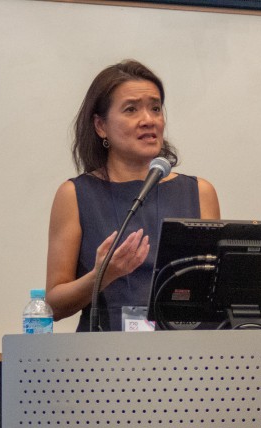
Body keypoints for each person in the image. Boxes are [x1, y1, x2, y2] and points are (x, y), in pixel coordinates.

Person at [46, 59, 220, 332]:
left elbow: (214, 290)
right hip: (104, 351)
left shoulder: (199, 192)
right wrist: (101, 276)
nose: (148, 120)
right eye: (131, 109)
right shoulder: (75, 195)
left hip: (184, 350)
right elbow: (53, 306)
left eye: (155, 108)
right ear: (101, 126)